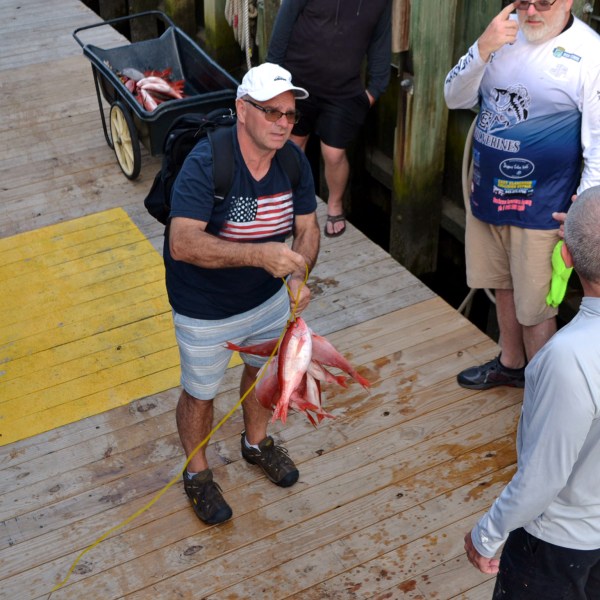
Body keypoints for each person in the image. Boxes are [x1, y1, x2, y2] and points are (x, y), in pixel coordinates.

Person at [164, 62, 321, 525]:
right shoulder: (208, 163)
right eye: (270, 112)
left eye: (290, 115)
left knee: (263, 373)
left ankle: (255, 444)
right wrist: (259, 257)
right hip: (203, 309)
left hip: (269, 299)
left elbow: (308, 228)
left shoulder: (293, 160)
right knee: (200, 394)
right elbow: (182, 242)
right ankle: (197, 474)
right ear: (241, 110)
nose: (282, 123)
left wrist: (298, 273)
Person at [444, 0, 600, 390]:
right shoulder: (500, 31)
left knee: (536, 309)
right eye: (522, 0)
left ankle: (543, 394)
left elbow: (598, 145)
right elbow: (454, 97)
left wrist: (581, 207)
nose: (530, 11)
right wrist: (481, 49)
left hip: (543, 208)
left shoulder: (591, 52)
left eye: (543, 2)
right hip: (486, 194)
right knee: (502, 283)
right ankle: (511, 364)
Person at [463, 184, 600, 599]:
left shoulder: (568, 357)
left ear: (566, 258)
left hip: (562, 545)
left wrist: (486, 535)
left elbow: (543, 477)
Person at [266, 0, 392, 238]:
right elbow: (283, 26)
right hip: (297, 83)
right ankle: (287, 203)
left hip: (344, 92)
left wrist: (374, 90)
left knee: (334, 153)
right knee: (293, 144)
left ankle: (335, 205)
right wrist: (274, 77)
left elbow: (380, 41)